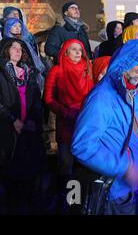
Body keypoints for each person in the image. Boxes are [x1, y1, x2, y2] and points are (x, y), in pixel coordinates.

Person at [72, 39, 138, 215]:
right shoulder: (102, 97)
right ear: (127, 61)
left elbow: (137, 135)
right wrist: (124, 168)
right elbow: (82, 145)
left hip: (135, 184)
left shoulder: (132, 92)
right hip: (116, 189)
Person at [43, 39, 93, 212]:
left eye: (80, 49)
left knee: (83, 165)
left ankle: (81, 202)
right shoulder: (57, 71)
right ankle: (69, 201)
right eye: (74, 49)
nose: (78, 52)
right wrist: (64, 112)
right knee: (66, 163)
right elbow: (48, 98)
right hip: (66, 123)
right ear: (65, 52)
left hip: (85, 123)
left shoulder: (88, 69)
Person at [0, 39, 46, 214]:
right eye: (14, 48)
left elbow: (35, 99)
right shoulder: (2, 72)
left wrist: (33, 119)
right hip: (8, 130)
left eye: (21, 48)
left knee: (29, 172)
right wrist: (13, 120)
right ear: (5, 50)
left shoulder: (28, 72)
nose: (18, 51)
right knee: (10, 174)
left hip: (28, 129)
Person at [3, 17, 46, 90]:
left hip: (27, 71)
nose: (18, 28)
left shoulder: (24, 42)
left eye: (19, 26)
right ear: (8, 27)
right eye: (14, 26)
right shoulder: (4, 43)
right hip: (12, 73)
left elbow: (31, 57)